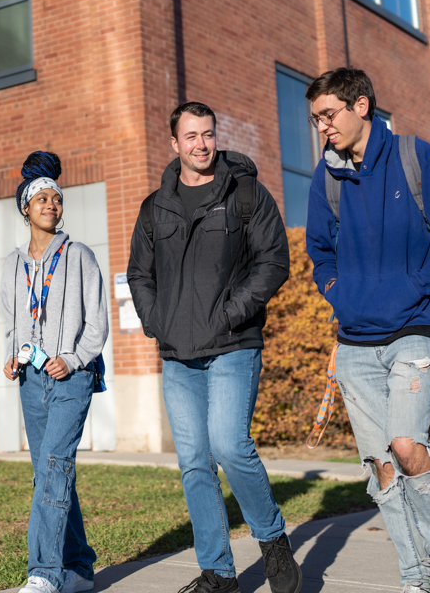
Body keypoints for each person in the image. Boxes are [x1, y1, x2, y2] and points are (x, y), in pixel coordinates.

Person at [303, 68, 430, 593]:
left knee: (405, 446)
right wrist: (341, 293)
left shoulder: (413, 157)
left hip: (417, 327)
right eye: (314, 120)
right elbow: (319, 252)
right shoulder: (326, 177)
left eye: (328, 115)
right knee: (381, 465)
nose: (322, 127)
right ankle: (414, 577)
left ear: (362, 106)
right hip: (356, 338)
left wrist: (410, 290)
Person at [127, 102, 302, 593]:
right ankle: (219, 573)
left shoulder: (246, 194)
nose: (201, 144)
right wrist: (156, 319)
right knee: (195, 463)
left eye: (207, 134)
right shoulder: (154, 206)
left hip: (232, 344)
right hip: (178, 355)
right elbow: (139, 273)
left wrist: (232, 311)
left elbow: (274, 261)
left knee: (229, 445)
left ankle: (272, 541)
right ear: (175, 143)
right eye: (191, 136)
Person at [1, 151, 109, 593]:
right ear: (26, 207)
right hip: (31, 379)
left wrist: (76, 358)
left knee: (53, 467)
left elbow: (97, 320)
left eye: (56, 199)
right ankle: (80, 568)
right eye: (41, 198)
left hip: (72, 376)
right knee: (50, 470)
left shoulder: (79, 254)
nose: (51, 204)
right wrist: (11, 355)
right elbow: (10, 319)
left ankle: (44, 573)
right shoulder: (12, 264)